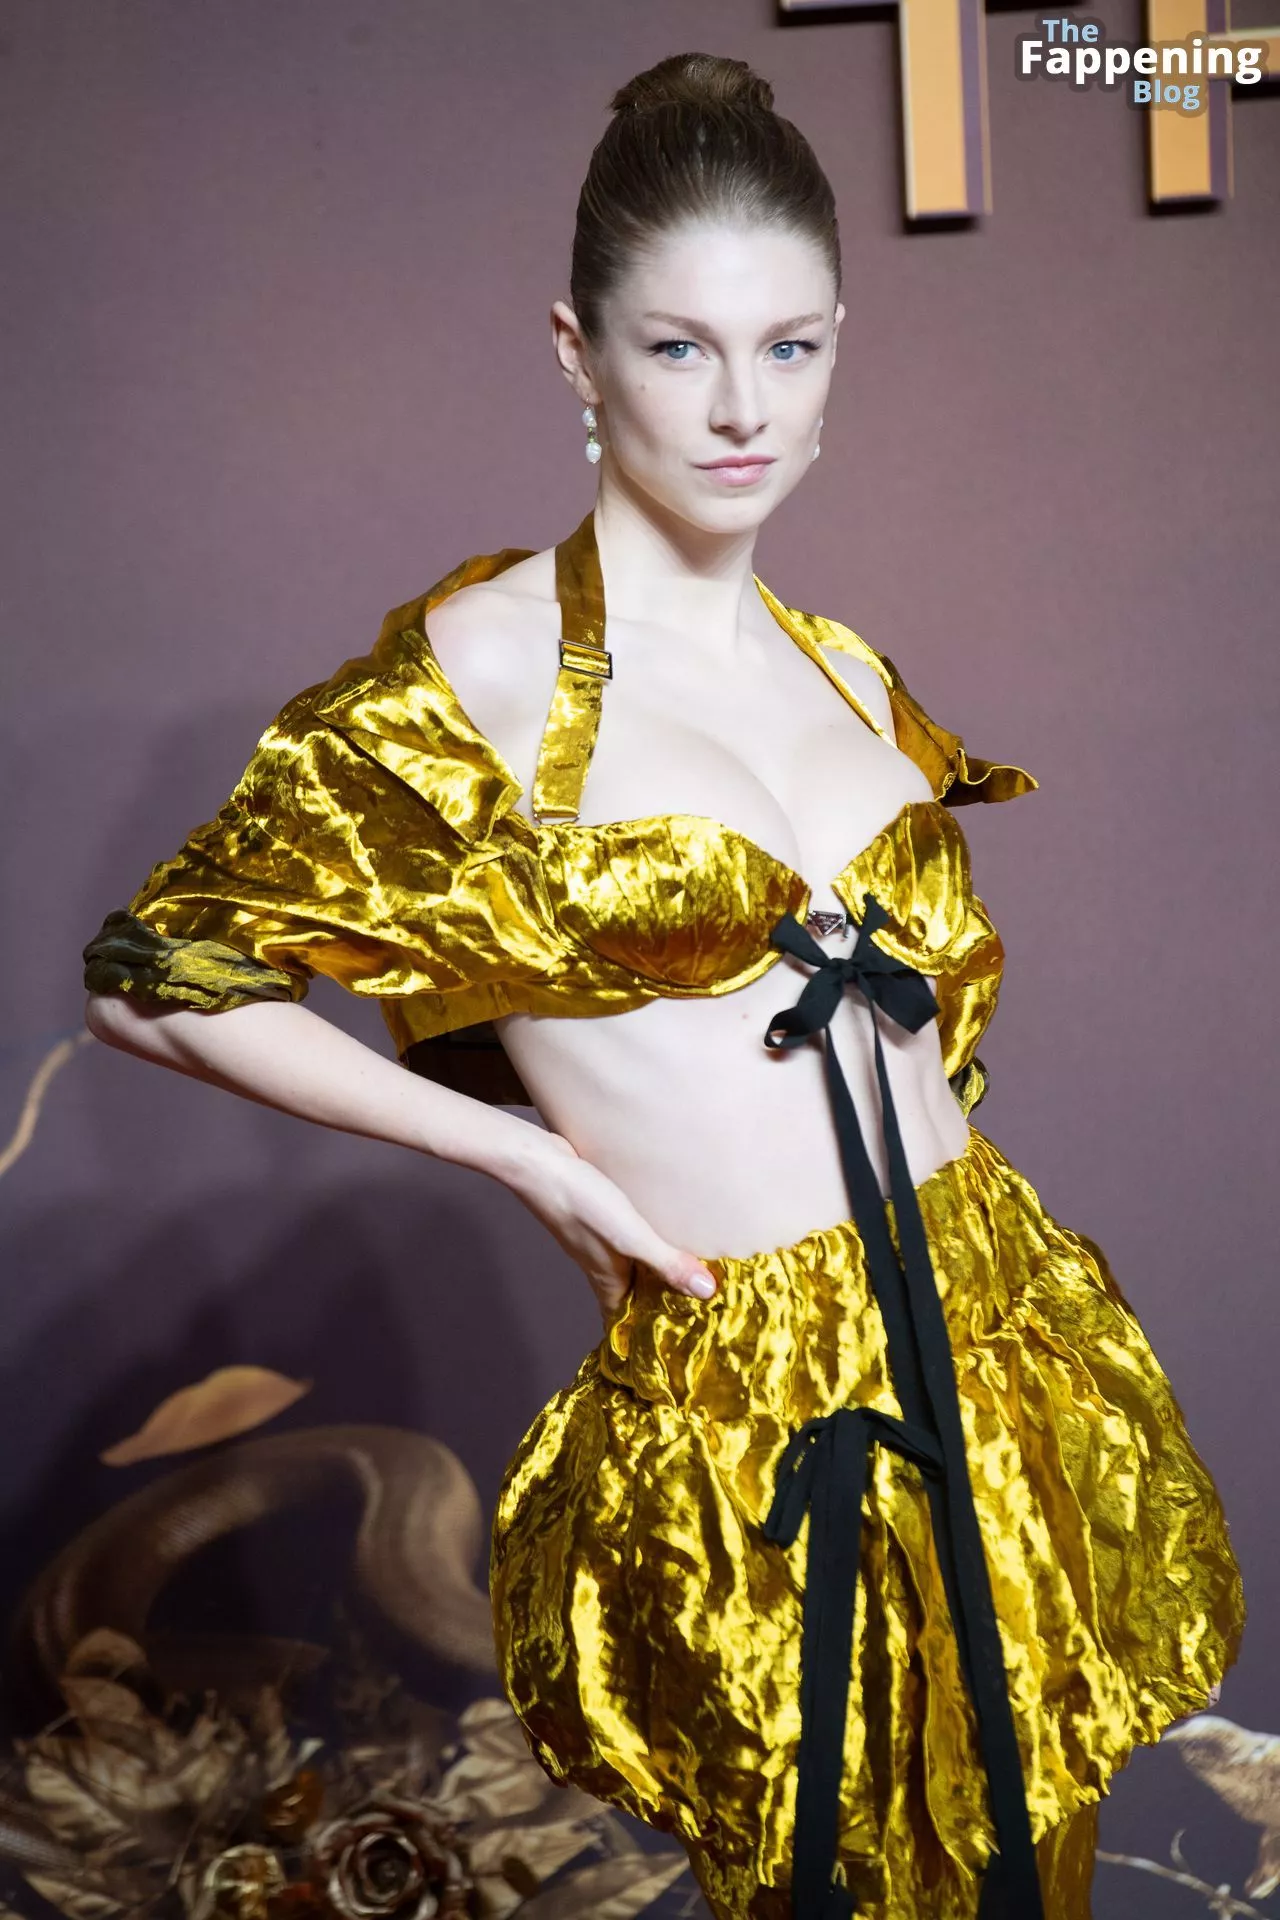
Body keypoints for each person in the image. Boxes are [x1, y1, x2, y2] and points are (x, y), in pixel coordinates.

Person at [83, 50, 1244, 1920]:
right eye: (681, 347)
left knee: (1032, 1873)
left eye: (791, 348)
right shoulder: (471, 677)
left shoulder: (844, 666)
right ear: (578, 352)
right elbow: (157, 980)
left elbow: (931, 1040)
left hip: (1003, 1333)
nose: (742, 408)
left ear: (841, 351)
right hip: (756, 1392)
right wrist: (524, 1154)